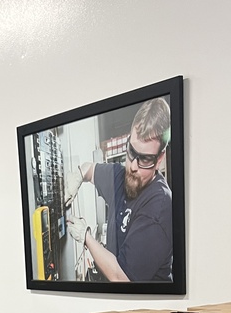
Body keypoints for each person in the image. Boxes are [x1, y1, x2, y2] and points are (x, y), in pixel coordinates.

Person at [63, 97, 173, 283]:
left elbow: (121, 277)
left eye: (145, 159)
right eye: (131, 152)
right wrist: (79, 175)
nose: (133, 166)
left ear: (160, 159)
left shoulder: (158, 207)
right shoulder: (123, 176)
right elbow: (91, 169)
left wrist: (86, 237)